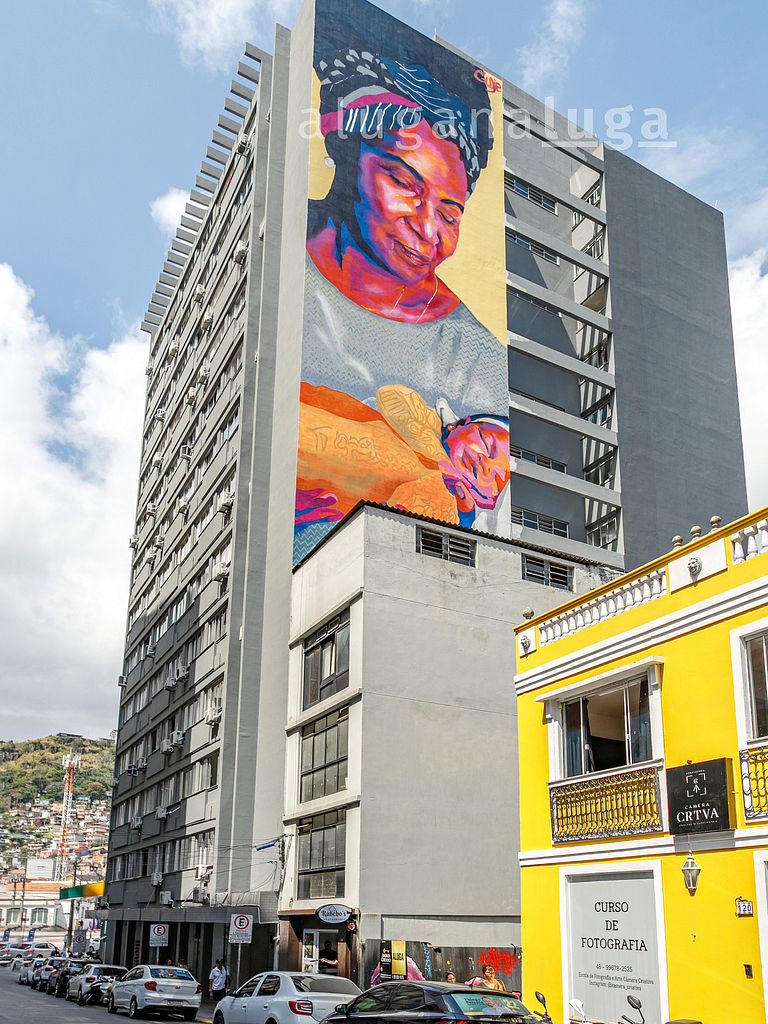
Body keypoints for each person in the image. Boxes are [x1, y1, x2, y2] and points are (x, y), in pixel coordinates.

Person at [297, 46, 509, 556]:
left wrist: (482, 439)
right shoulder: (276, 258)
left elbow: (491, 430)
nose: (428, 227)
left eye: (452, 212)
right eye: (403, 181)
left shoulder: (474, 350)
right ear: (348, 153)